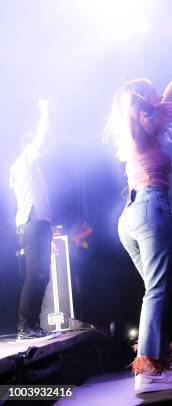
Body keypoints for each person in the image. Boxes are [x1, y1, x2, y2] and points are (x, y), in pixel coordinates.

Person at [102, 41, 172, 394]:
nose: (158, 101)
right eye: (152, 97)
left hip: (134, 214)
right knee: (158, 290)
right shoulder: (135, 128)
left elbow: (165, 105)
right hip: (148, 208)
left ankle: (159, 361)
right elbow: (129, 101)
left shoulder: (145, 132)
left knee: (158, 290)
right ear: (142, 102)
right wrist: (144, 97)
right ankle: (149, 373)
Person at [9, 99, 56, 340]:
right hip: (32, 223)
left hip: (37, 224)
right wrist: (44, 111)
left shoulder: (28, 168)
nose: (44, 150)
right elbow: (42, 135)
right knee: (36, 273)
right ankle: (25, 325)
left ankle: (31, 324)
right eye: (40, 147)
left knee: (41, 274)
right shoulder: (26, 159)